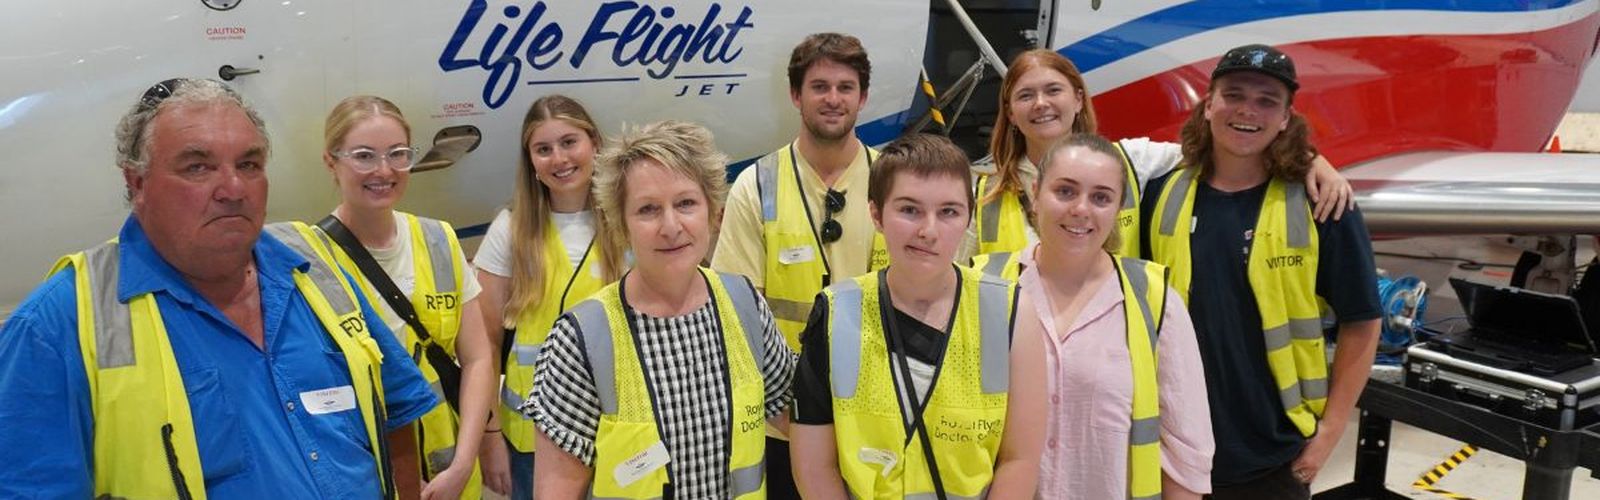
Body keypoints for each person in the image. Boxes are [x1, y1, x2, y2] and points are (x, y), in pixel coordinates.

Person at [0, 78, 437, 498]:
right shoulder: (59, 324)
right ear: (136, 183)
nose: (232, 189)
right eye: (197, 167)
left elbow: (395, 406)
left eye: (248, 164)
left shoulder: (314, 264)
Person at [1141, 44, 1382, 499]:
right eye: (1233, 94)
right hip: (1169, 448)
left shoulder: (1321, 206)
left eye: (1266, 100)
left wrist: (1328, 435)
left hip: (1272, 458)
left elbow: (1363, 322)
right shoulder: (1158, 195)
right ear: (1208, 104)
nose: (1247, 110)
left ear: (1286, 118)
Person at [523, 121, 796, 499]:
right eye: (648, 209)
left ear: (713, 212)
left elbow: (796, 420)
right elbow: (556, 489)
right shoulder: (583, 340)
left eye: (686, 203)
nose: (671, 226)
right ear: (621, 224)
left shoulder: (744, 305)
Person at [790, 134, 1038, 499]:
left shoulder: (1010, 311)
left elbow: (1020, 459)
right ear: (876, 214)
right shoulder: (835, 312)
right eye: (909, 210)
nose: (929, 231)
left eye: (948, 212)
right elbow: (814, 467)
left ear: (968, 217)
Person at [969, 49, 1353, 265]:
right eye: (1025, 96)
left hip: (1109, 360)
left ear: (1078, 99)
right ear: (1010, 112)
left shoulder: (1132, 163)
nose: (1041, 104)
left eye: (1053, 90)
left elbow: (1227, 144)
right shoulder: (982, 195)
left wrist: (1309, 157)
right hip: (1014, 363)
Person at [712, 33, 886, 495]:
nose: (833, 99)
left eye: (845, 87)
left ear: (863, 97)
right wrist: (785, 413)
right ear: (796, 95)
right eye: (819, 86)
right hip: (782, 417)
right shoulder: (756, 186)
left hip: (876, 413)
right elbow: (736, 313)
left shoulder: (893, 181)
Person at [1009, 133, 1213, 499]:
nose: (1081, 209)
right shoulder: (991, 289)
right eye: (1066, 191)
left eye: (1101, 198)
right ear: (1036, 193)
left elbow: (1187, 453)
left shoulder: (1153, 299)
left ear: (1119, 208)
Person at [314, 95, 498, 499]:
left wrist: (466, 461)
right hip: (364, 476)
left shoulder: (438, 239)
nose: (384, 171)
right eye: (364, 156)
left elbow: (478, 357)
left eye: (398, 154)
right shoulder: (311, 260)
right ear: (332, 161)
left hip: (448, 474)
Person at [473, 95, 624, 500]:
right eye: (543, 149)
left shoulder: (629, 222)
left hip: (619, 430)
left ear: (594, 143)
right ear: (531, 162)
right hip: (533, 440)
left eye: (569, 142)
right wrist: (489, 437)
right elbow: (483, 344)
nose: (559, 158)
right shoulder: (510, 230)